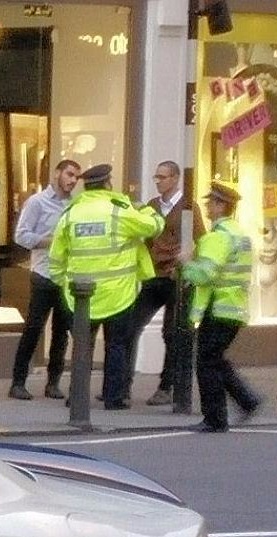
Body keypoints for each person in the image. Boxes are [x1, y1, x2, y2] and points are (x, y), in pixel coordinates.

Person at [47, 163, 163, 411]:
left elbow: (56, 255)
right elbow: (154, 227)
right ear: (108, 184)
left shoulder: (71, 213)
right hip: (117, 294)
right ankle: (114, 398)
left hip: (80, 296)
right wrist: (147, 210)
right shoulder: (119, 210)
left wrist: (61, 282)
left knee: (82, 347)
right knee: (116, 346)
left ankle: (76, 396)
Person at [180, 182, 262, 433]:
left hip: (217, 307)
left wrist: (186, 264)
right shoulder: (240, 235)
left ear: (221, 206)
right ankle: (247, 400)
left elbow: (205, 274)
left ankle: (215, 418)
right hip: (233, 307)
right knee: (215, 359)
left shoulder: (217, 237)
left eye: (211, 203)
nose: (207, 207)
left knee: (206, 363)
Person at [125, 160, 203, 407]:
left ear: (176, 178)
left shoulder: (188, 208)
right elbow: (146, 239)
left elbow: (200, 239)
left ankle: (166, 387)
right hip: (154, 277)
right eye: (156, 177)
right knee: (130, 326)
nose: (158, 181)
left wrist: (187, 258)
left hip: (176, 278)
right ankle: (122, 385)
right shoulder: (152, 206)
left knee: (171, 332)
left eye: (163, 177)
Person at [9, 159, 80, 401]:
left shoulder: (74, 205)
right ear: (57, 173)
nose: (72, 180)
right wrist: (52, 242)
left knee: (61, 332)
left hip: (66, 277)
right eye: (69, 174)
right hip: (43, 274)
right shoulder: (37, 202)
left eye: (76, 177)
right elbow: (21, 236)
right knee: (34, 328)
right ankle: (18, 382)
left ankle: (53, 383)